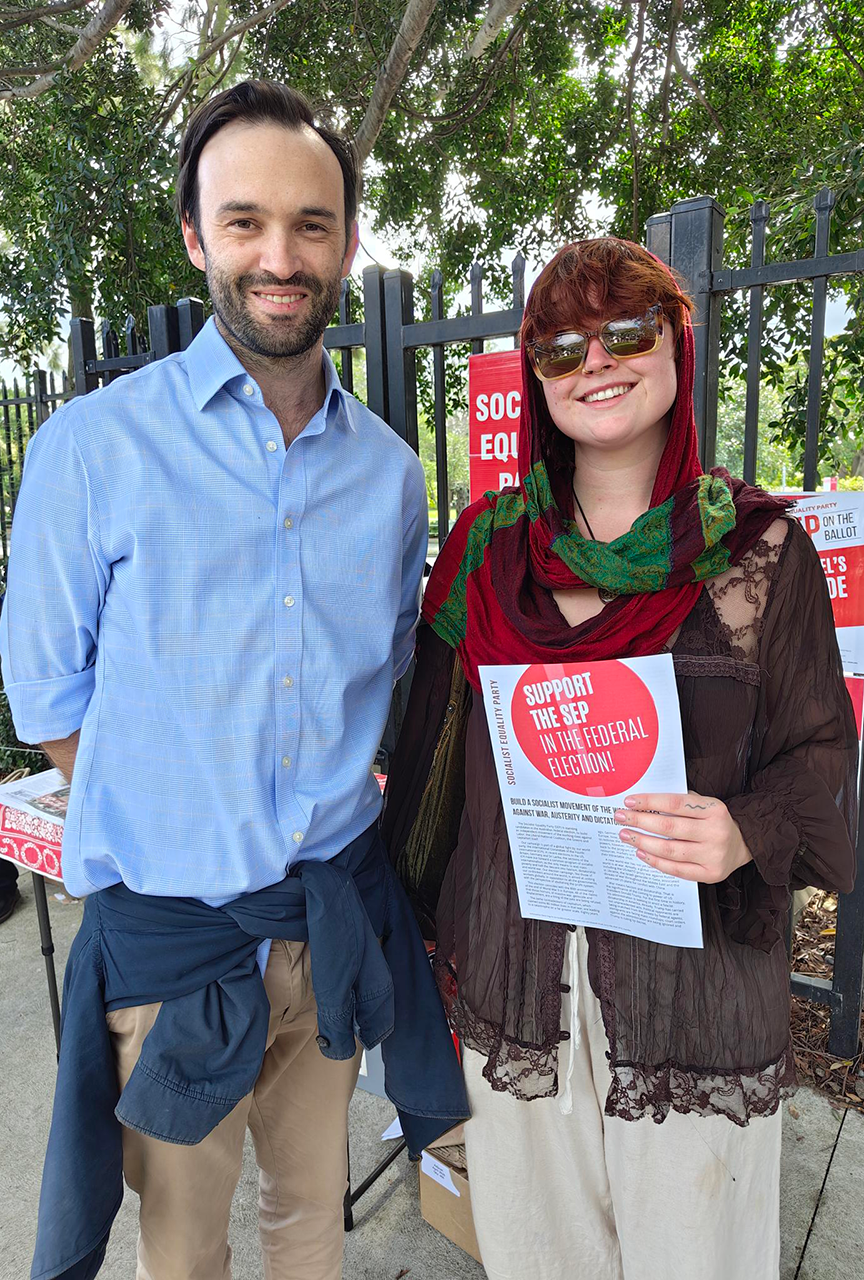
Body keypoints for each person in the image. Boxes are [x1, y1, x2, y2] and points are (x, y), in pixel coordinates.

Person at [2, 80, 466, 1280]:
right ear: (197, 237)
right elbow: (48, 696)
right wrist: (178, 813)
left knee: (311, 1217)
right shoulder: (94, 448)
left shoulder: (390, 475)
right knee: (183, 1244)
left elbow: (384, 675)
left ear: (348, 245)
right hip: (173, 952)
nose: (280, 256)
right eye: (245, 221)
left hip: (329, 929)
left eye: (312, 224)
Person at [383, 237, 858, 1280]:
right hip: (519, 988)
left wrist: (746, 829)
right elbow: (426, 761)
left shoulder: (762, 554)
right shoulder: (486, 550)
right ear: (537, 377)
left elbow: (824, 755)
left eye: (627, 331)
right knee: (537, 1255)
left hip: (690, 999)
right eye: (560, 346)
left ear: (678, 345)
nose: (594, 361)